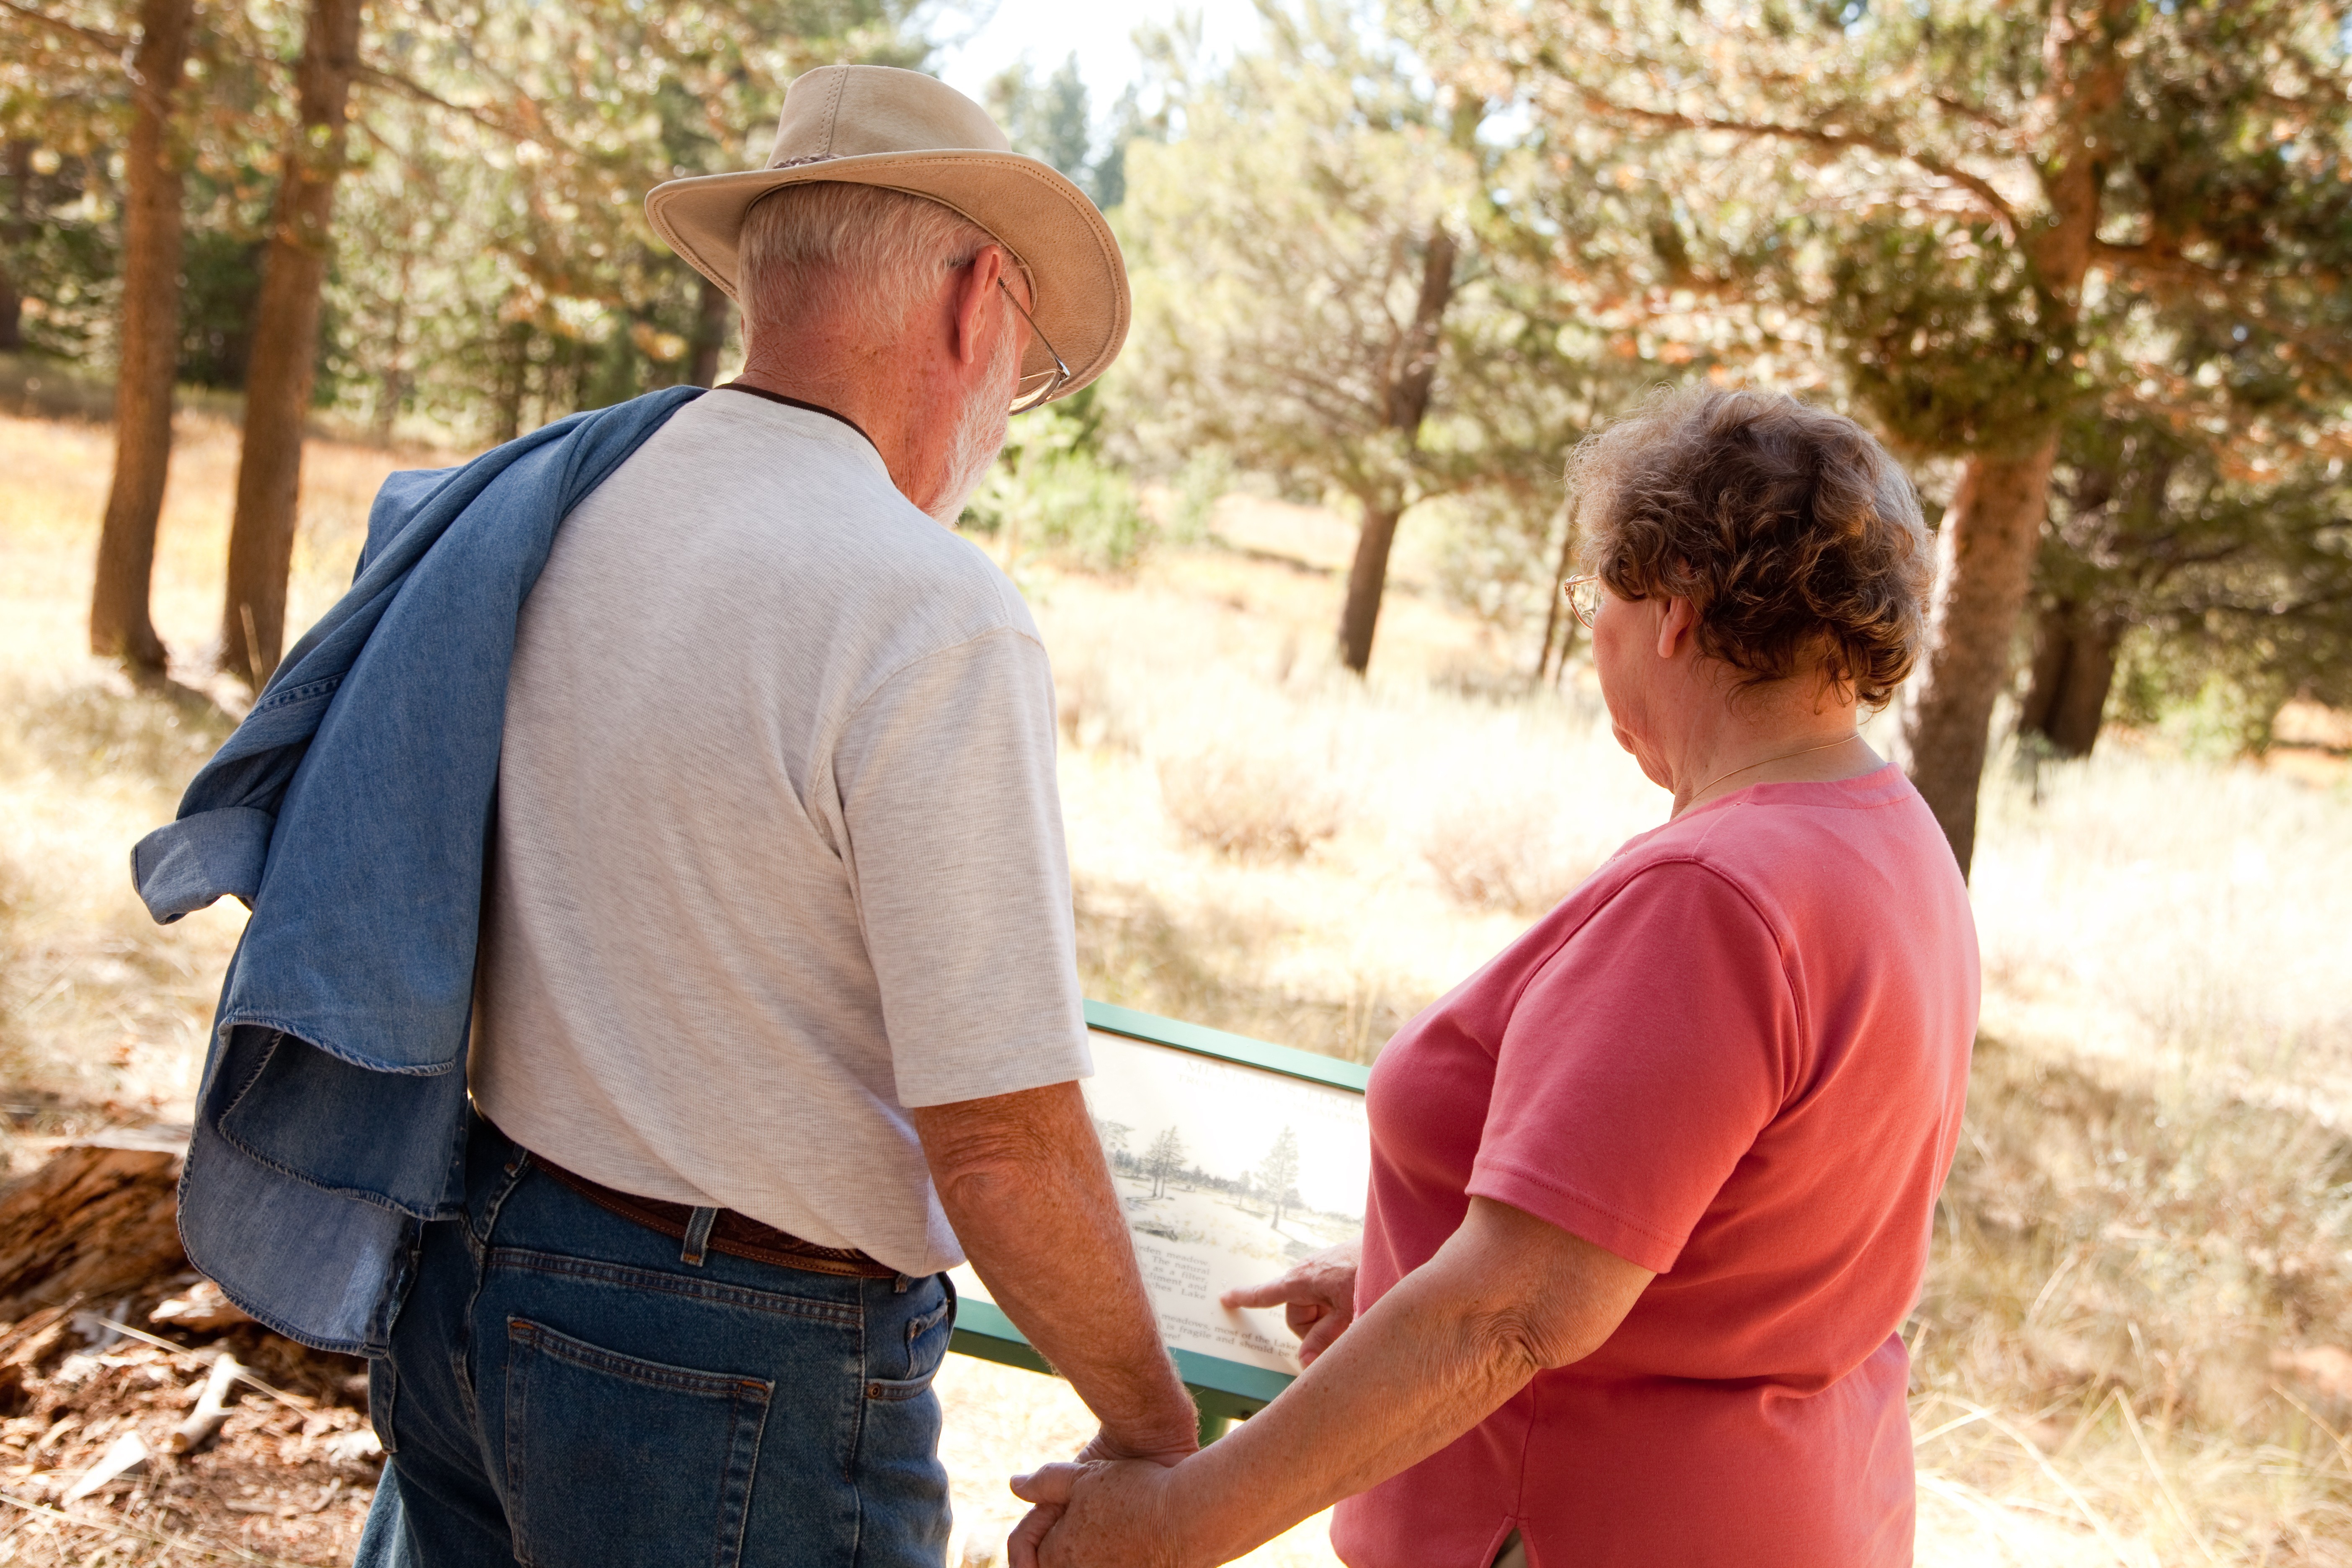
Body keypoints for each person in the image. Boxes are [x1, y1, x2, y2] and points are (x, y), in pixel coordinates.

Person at [133, 64, 1197, 1568]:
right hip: (734, 1366)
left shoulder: (563, 504)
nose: (1005, 414)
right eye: (1024, 370)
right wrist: (1159, 1438)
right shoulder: (929, 609)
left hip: (473, 1260)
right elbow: (1004, 1151)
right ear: (977, 303)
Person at [1008, 387, 1981, 1568]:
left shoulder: (1714, 894)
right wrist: (1399, 1275)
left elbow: (1511, 1314)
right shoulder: (1891, 839)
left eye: (1595, 598)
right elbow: (1714, 1232)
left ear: (1672, 609)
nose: (1595, 634)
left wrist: (1173, 1525)